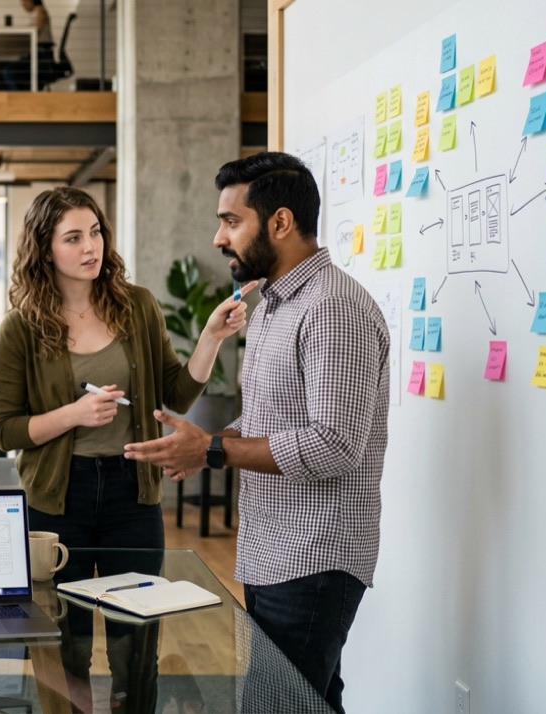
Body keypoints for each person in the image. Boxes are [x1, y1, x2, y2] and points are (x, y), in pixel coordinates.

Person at [123, 152, 389, 714]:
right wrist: (205, 450)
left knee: (276, 706)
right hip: (272, 549)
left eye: (230, 220)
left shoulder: (334, 308)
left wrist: (215, 447)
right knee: (309, 701)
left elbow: (334, 445)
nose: (219, 237)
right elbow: (270, 421)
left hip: (316, 556)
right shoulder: (267, 305)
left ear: (281, 222)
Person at [0, 186, 250, 708]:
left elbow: (175, 391)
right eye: (73, 238)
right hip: (57, 501)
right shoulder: (21, 326)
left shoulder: (137, 305)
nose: (91, 247)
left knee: (136, 639)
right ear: (45, 250)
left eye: (96, 233)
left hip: (132, 494)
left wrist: (211, 338)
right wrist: (74, 415)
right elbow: (5, 430)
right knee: (67, 641)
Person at [0, 0, 56, 90]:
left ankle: (16, 99)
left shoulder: (39, 10)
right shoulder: (35, 13)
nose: (23, 5)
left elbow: (36, 29)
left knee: (8, 71)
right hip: (37, 55)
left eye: (24, 1)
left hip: (42, 58)